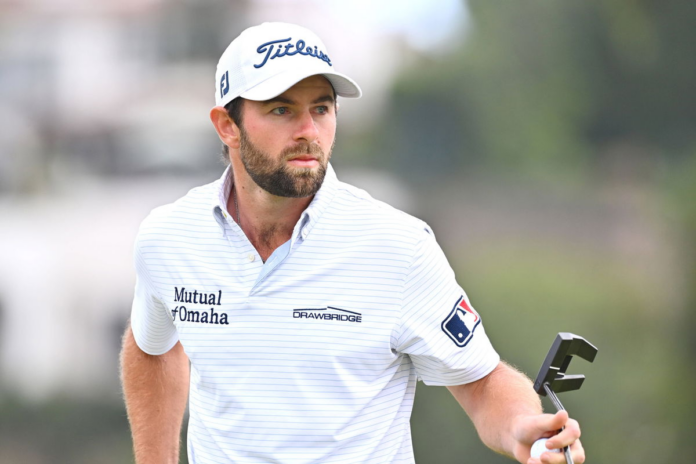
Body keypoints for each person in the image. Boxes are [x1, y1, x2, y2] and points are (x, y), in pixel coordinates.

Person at [120, 22, 584, 464]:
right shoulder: (169, 237)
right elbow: (150, 348)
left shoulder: (398, 246)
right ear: (227, 125)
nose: (308, 131)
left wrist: (524, 427)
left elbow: (482, 381)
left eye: (321, 109)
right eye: (282, 110)